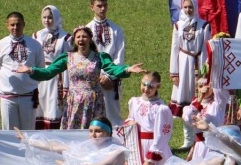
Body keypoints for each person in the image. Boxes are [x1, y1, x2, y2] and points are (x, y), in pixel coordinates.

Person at [16, 26, 146, 132]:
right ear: (75, 41)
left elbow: (112, 69)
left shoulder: (99, 57)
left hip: (94, 102)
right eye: (78, 37)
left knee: (94, 132)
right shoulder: (68, 58)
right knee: (74, 133)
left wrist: (127, 69)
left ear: (90, 39)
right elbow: (49, 72)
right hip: (74, 103)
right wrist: (31, 70)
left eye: (84, 36)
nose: (81, 39)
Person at [175, 77, 222, 165]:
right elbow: (188, 117)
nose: (204, 88)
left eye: (207, 85)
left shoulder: (218, 103)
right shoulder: (192, 107)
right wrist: (199, 100)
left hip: (215, 147)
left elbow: (222, 93)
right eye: (200, 85)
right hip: (201, 148)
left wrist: (214, 83)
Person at [0, 11, 45, 130]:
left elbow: (40, 68)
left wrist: (29, 84)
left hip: (28, 96)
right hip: (7, 97)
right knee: (9, 131)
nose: (15, 27)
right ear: (7, 25)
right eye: (12, 25)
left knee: (28, 132)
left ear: (24, 24)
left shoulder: (35, 45)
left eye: (18, 24)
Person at [169, 0, 211, 149]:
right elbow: (174, 48)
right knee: (185, 102)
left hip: (198, 63)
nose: (188, 10)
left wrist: (205, 70)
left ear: (195, 7)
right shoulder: (178, 26)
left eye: (190, 7)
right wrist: (174, 71)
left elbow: (207, 49)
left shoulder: (204, 25)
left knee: (198, 101)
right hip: (183, 64)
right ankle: (188, 139)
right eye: (185, 7)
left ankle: (200, 137)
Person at [83, 0, 127, 126]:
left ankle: (116, 143)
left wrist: (109, 76)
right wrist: (98, 75)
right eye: (99, 6)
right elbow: (85, 55)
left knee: (113, 115)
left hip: (111, 79)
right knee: (94, 115)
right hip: (93, 78)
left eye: (104, 5)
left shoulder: (116, 30)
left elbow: (119, 55)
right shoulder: (87, 30)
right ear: (92, 7)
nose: (102, 9)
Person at [33, 5, 72, 130]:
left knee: (54, 108)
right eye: (44, 17)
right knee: (40, 107)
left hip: (57, 77)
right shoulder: (37, 35)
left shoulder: (65, 38)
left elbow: (68, 61)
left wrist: (66, 85)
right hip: (41, 75)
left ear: (55, 17)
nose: (46, 20)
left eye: (50, 17)